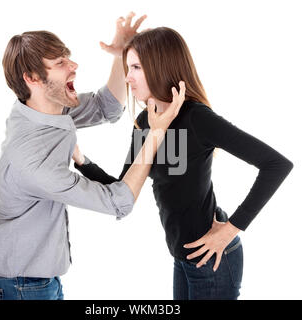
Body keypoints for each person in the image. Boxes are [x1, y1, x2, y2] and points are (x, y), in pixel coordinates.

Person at [72, 27, 294, 300]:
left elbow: (276, 164)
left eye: (136, 67)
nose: (128, 77)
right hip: (182, 257)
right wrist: (81, 160)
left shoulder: (197, 118)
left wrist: (232, 228)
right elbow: (123, 188)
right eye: (127, 67)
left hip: (213, 258)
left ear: (161, 66)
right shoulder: (145, 123)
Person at [0, 13, 186, 300]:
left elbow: (107, 107)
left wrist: (119, 55)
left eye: (68, 57)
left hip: (37, 278)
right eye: (60, 63)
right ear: (32, 79)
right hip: (21, 285)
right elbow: (119, 201)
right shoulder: (32, 162)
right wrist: (156, 133)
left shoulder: (41, 109)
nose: (74, 66)